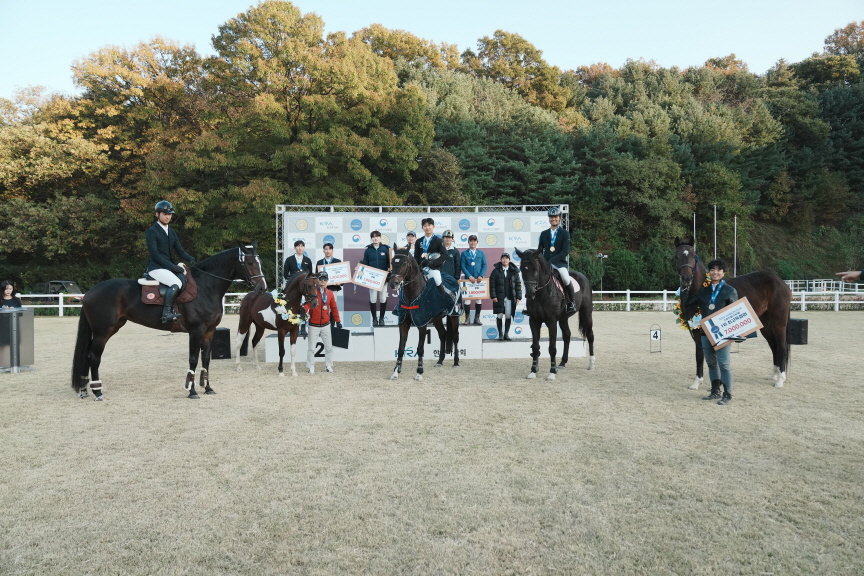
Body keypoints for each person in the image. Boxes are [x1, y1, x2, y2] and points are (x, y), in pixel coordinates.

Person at [686, 258, 739, 405]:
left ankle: (727, 394)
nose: (715, 272)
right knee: (711, 363)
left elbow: (737, 313)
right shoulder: (703, 291)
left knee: (724, 364)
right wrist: (684, 289)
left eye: (718, 270)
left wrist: (735, 333)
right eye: (712, 270)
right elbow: (689, 303)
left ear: (723, 273)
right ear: (709, 273)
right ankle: (715, 391)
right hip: (705, 333)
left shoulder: (730, 291)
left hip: (723, 334)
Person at [145, 200, 196, 323]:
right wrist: (173, 267)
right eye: (164, 214)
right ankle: (166, 313)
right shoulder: (152, 231)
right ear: (157, 214)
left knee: (185, 279)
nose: (168, 216)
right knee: (176, 283)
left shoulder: (171, 232)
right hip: (156, 268)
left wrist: (191, 259)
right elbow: (156, 255)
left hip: (167, 267)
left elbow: (180, 251)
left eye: (170, 214)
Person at [538, 206, 578, 315]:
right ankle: (532, 303)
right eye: (551, 217)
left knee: (565, 278)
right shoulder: (543, 234)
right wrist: (540, 260)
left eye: (555, 217)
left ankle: (571, 302)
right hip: (546, 264)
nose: (553, 219)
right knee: (534, 277)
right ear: (549, 219)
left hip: (559, 264)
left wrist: (551, 261)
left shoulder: (565, 233)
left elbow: (565, 251)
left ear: (559, 218)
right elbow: (540, 250)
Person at [306, 271, 341, 374]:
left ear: (327, 281)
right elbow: (307, 305)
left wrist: (338, 321)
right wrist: (303, 311)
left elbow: (334, 308)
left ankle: (329, 365)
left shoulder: (329, 293)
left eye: (325, 279)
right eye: (321, 279)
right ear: (318, 281)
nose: (322, 281)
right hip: (313, 325)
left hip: (326, 324)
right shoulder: (313, 292)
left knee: (329, 347)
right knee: (311, 348)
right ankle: (310, 366)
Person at [360, 231, 391, 327]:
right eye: (373, 237)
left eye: (377, 236)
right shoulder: (368, 250)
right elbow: (365, 263)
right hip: (372, 279)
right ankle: (374, 319)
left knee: (383, 298)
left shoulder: (386, 248)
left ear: (380, 238)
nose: (375, 238)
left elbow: (390, 262)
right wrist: (360, 268)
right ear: (371, 239)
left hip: (384, 278)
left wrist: (390, 268)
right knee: (373, 299)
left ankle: (381, 318)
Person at [489, 253, 522, 340]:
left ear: (509, 260)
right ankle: (500, 334)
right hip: (499, 297)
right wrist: (493, 296)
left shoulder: (514, 271)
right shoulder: (495, 271)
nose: (505, 260)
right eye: (503, 258)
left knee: (508, 315)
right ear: (501, 260)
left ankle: (506, 334)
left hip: (510, 298)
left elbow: (518, 285)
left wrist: (518, 297)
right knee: (499, 315)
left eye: (506, 258)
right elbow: (491, 285)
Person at [461, 234, 487, 325]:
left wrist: (481, 275)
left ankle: (477, 318)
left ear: (477, 242)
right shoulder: (464, 253)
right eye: (471, 240)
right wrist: (469, 276)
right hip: (468, 280)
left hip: (479, 280)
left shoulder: (481, 253)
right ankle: (467, 318)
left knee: (478, 299)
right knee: (467, 300)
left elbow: (484, 265)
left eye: (474, 240)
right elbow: (463, 266)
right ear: (468, 242)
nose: (473, 242)